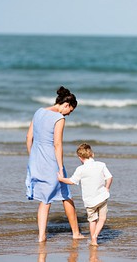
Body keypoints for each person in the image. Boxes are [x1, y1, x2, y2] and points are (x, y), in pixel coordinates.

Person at [25, 86, 84, 242]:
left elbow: (28, 137)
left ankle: (41, 236)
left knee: (45, 199)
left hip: (37, 161)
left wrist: (32, 158)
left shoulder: (38, 112)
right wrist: (60, 167)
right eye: (70, 111)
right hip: (52, 162)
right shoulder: (59, 118)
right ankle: (76, 233)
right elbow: (57, 144)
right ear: (66, 105)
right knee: (66, 195)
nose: (69, 114)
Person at [58, 143, 113, 246]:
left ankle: (94, 240)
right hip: (102, 197)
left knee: (92, 221)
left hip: (89, 201)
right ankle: (95, 235)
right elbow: (109, 177)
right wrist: (107, 188)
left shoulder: (80, 169)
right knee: (102, 218)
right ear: (92, 154)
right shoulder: (101, 165)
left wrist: (61, 179)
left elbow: (72, 181)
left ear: (80, 158)